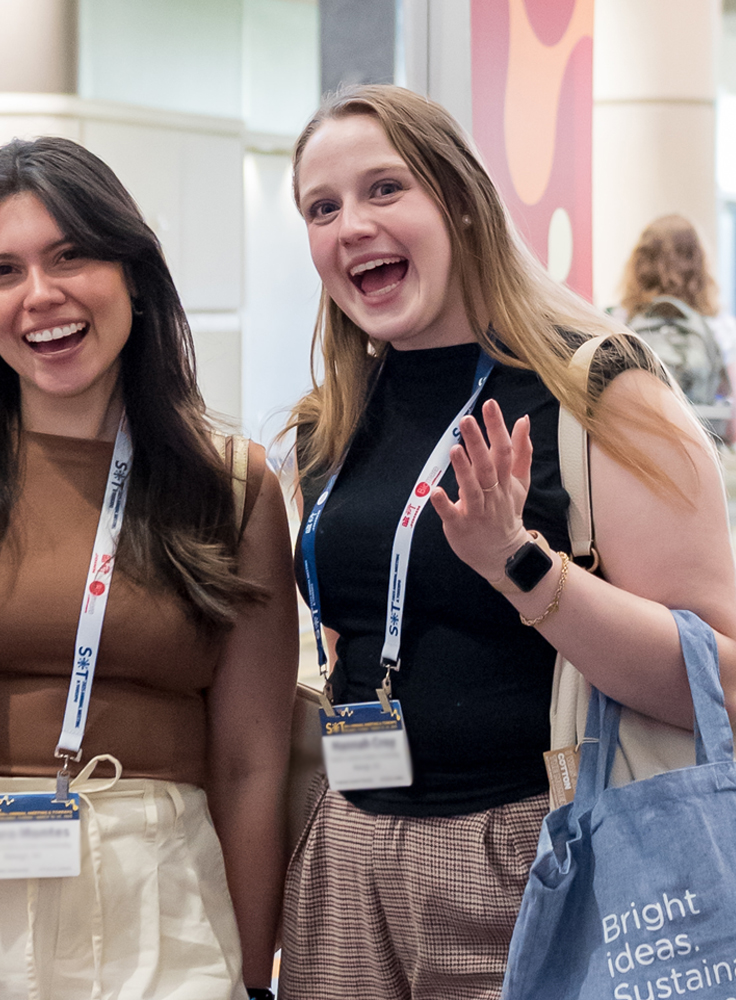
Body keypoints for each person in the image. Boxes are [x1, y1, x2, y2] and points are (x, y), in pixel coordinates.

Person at [0, 137, 298, 999]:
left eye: (70, 255)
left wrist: (254, 972)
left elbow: (250, 764)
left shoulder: (227, 482)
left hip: (156, 891)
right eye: (3, 271)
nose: (41, 295)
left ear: (133, 275)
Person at [279, 85, 736, 1000]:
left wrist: (520, 564)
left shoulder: (600, 392)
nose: (351, 225)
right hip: (348, 860)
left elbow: (718, 682)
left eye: (384, 190)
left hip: (542, 852)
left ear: (458, 199)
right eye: (322, 208)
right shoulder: (330, 424)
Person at [617, 213, 736, 442]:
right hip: (702, 455)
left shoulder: (622, 323)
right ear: (699, 264)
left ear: (639, 264)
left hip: (639, 454)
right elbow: (732, 425)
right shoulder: (721, 328)